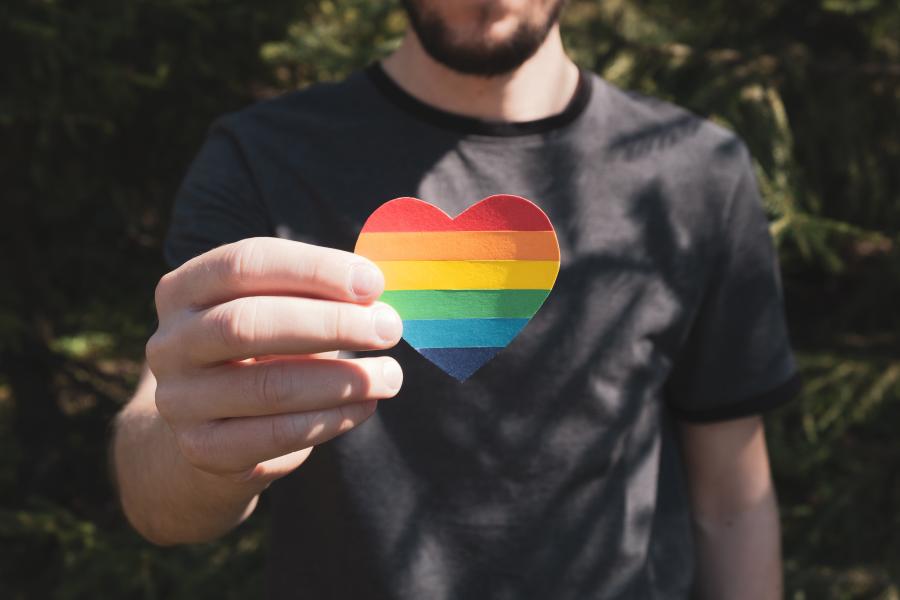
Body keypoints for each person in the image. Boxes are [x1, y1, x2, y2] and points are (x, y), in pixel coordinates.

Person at [111, 1, 802, 598]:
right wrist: (199, 448)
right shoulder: (261, 159)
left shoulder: (698, 174)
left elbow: (733, 505)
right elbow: (157, 491)